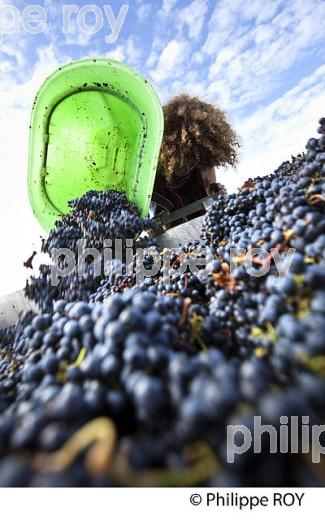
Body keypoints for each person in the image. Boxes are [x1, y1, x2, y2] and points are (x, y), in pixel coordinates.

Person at [152, 94, 239, 215]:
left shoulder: (203, 162)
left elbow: (211, 191)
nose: (192, 161)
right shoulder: (152, 172)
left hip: (204, 221)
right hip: (170, 228)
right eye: (186, 150)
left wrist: (216, 193)